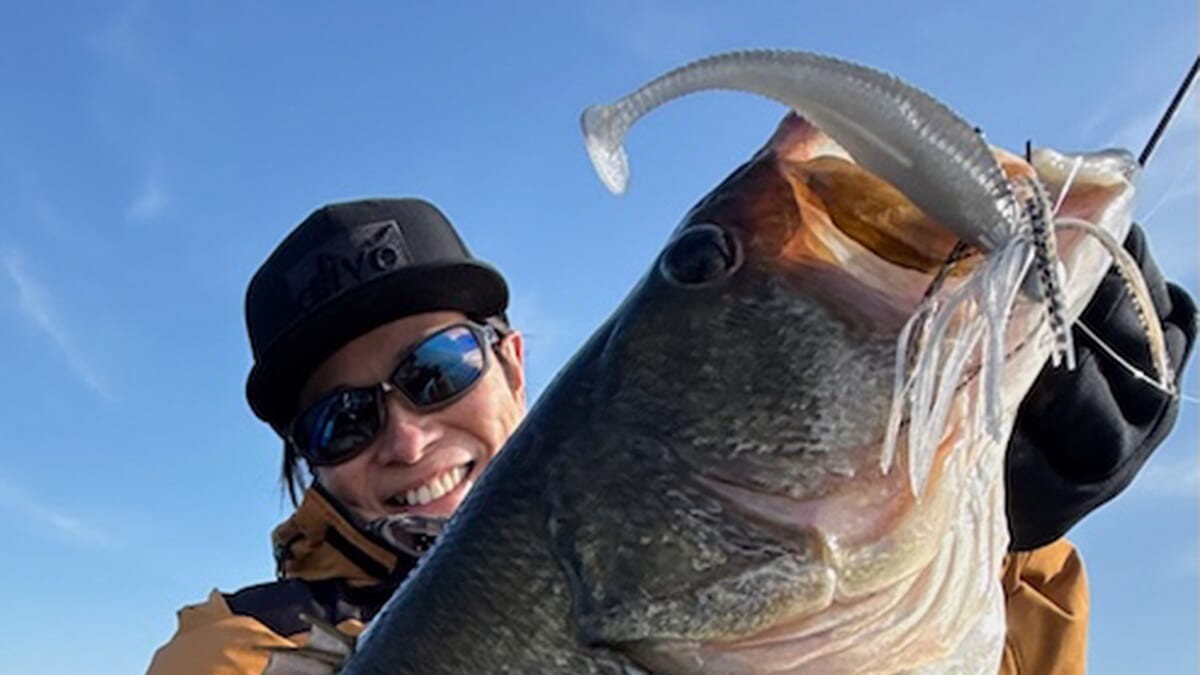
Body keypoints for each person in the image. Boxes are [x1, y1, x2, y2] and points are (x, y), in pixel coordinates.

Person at [145, 198, 1196, 675]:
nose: (410, 439)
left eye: (438, 371)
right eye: (344, 417)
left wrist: (1016, 539)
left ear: (512, 364)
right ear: (309, 464)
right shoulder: (240, 655)